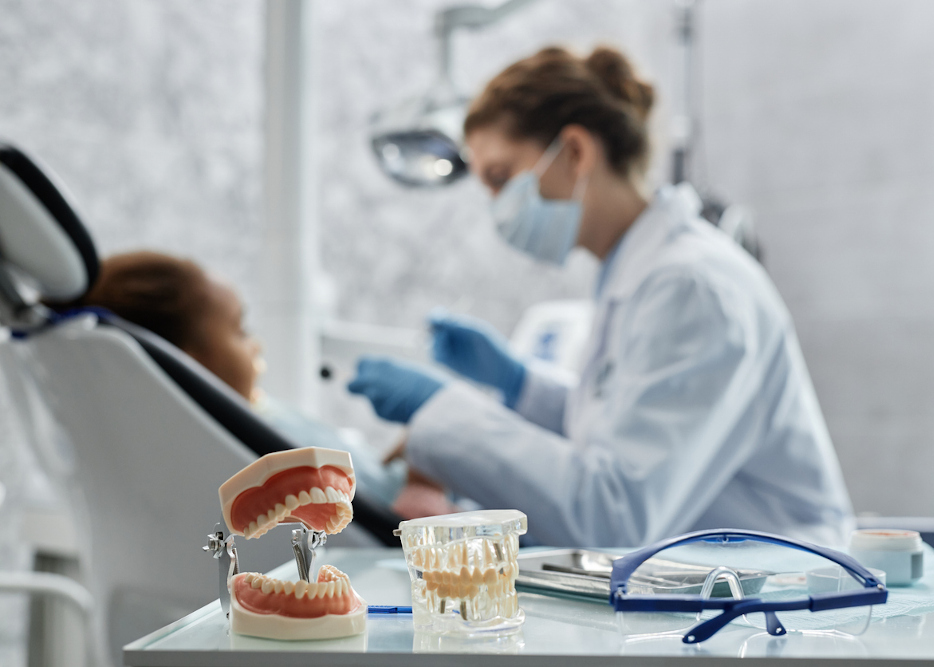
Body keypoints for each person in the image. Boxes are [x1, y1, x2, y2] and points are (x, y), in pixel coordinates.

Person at [348, 46, 855, 547]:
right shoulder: (639, 274)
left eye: (502, 178)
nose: (498, 209)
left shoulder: (692, 286)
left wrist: (438, 410)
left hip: (778, 597)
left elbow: (613, 516)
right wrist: (519, 384)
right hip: (715, 584)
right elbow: (622, 430)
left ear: (575, 152)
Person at [65, 250, 453, 516]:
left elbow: (360, 489)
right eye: (239, 329)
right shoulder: (251, 456)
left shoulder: (253, 420)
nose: (256, 345)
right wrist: (427, 478)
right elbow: (385, 530)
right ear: (189, 362)